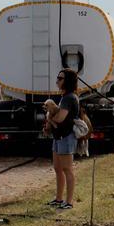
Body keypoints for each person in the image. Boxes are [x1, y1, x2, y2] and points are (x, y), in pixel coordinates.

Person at [45, 69, 80, 209]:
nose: (57, 80)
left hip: (66, 136)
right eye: (58, 77)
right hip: (58, 136)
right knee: (57, 168)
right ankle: (59, 199)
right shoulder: (64, 96)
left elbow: (60, 118)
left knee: (67, 169)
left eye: (60, 78)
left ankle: (69, 202)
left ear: (68, 81)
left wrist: (49, 118)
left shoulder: (69, 98)